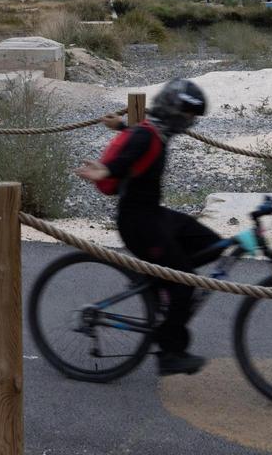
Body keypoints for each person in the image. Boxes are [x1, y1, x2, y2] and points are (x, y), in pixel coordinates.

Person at [74, 79, 220, 376]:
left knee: (211, 244)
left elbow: (139, 141)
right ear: (172, 109)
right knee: (185, 283)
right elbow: (130, 155)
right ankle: (170, 353)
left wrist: (119, 126)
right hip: (138, 224)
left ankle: (157, 281)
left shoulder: (156, 131)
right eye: (187, 114)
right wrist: (107, 170)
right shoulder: (148, 134)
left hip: (153, 215)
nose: (190, 121)